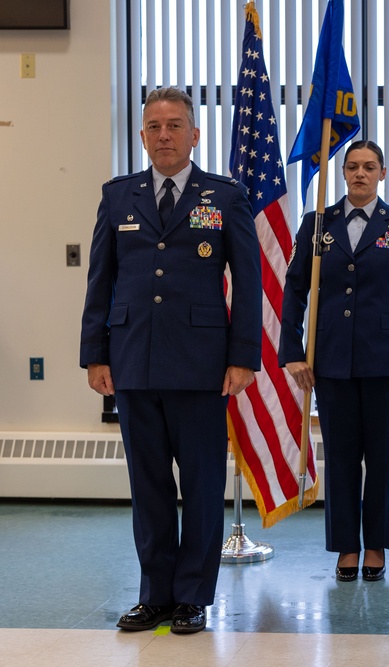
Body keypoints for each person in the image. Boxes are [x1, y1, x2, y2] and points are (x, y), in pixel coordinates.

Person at [80, 86, 262, 634]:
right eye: (154, 127)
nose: (164, 135)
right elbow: (100, 280)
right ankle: (154, 593)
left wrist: (242, 357)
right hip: (133, 360)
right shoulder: (118, 197)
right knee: (149, 485)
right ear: (142, 135)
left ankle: (191, 597)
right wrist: (94, 354)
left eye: (175, 125)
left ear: (194, 134)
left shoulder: (224, 196)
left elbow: (249, 284)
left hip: (202, 364)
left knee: (203, 485)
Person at [279, 140, 389, 583]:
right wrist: (291, 352)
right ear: (343, 173)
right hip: (330, 360)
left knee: (384, 459)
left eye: (369, 167)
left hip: (387, 362)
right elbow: (294, 290)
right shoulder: (318, 224)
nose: (359, 174)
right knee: (342, 457)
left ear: (382, 174)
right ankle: (347, 547)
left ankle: (377, 545)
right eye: (352, 166)